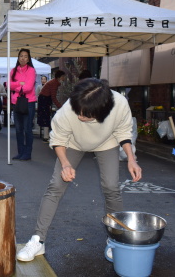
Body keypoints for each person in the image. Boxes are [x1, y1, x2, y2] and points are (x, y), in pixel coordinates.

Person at [16, 78, 142, 262]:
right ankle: (38, 239)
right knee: (56, 186)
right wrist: (66, 164)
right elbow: (57, 138)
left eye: (86, 115)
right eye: (78, 111)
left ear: (101, 111)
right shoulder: (68, 110)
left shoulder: (120, 104)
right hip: (73, 142)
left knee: (111, 187)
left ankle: (116, 240)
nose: (80, 116)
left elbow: (124, 131)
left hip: (107, 142)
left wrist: (131, 158)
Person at [9, 48, 37, 161]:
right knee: (18, 129)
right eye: (21, 56)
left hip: (28, 102)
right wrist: (19, 84)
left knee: (27, 129)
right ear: (18, 57)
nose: (23, 58)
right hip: (16, 103)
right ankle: (20, 152)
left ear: (29, 58)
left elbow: (29, 87)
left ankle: (27, 153)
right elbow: (8, 85)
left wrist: (17, 86)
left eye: (25, 56)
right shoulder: (13, 70)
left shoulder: (31, 70)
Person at [37, 70, 66, 142]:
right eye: (63, 77)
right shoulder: (54, 83)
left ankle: (46, 135)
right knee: (46, 117)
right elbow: (53, 97)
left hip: (43, 99)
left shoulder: (54, 82)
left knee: (45, 117)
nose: (64, 78)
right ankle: (46, 136)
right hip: (44, 100)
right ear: (60, 77)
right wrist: (60, 106)